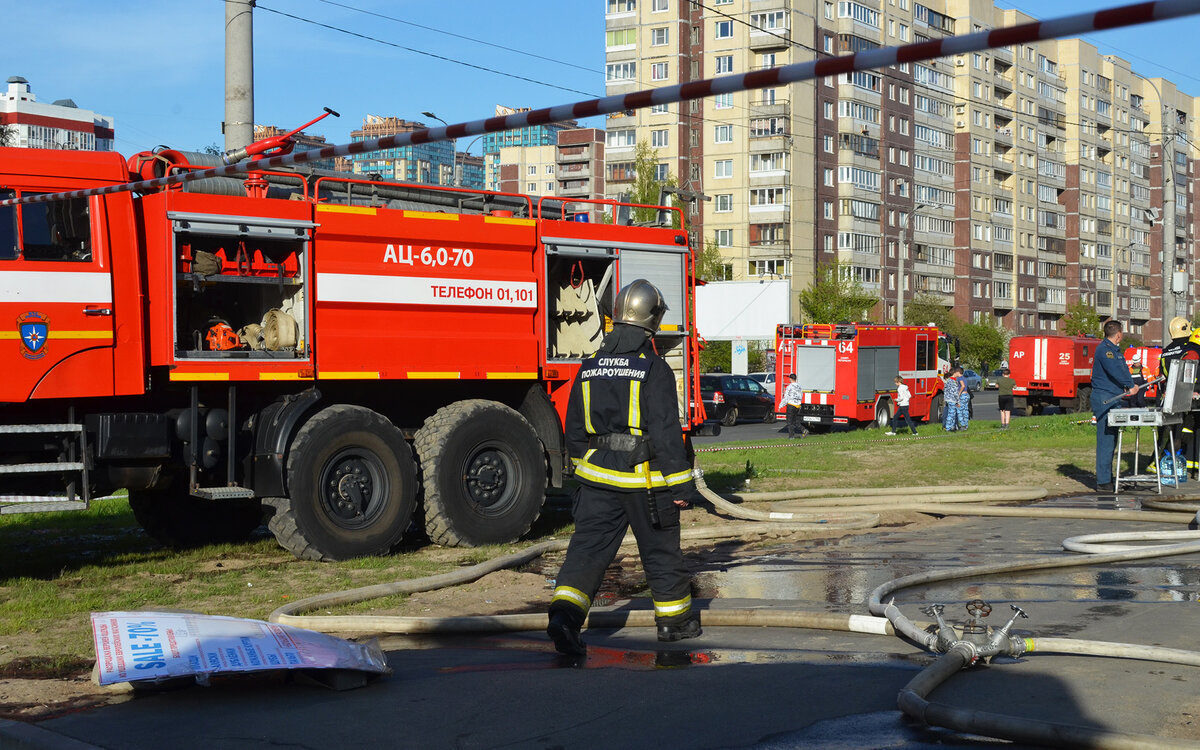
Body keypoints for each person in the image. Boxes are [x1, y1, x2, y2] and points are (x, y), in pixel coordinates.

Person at [547, 279, 700, 657]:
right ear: (651, 321)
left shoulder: (589, 368)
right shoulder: (654, 369)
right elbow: (665, 434)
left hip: (596, 481)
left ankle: (564, 618)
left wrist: (589, 468)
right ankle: (674, 624)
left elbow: (576, 430)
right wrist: (681, 488)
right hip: (645, 483)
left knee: (586, 553)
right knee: (661, 553)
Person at [1090, 320, 1139, 493]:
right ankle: (1103, 482)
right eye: (1122, 333)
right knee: (1106, 440)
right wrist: (1130, 385)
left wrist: (1129, 384)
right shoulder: (1105, 350)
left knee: (1112, 440)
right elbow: (1115, 371)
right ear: (1118, 334)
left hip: (1114, 397)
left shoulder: (1115, 351)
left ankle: (1108, 477)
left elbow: (1122, 370)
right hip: (1105, 398)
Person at [779, 373, 808, 439]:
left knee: (790, 421)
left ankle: (791, 436)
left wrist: (781, 406)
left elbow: (786, 397)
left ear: (790, 379)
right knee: (795, 420)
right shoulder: (799, 387)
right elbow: (801, 396)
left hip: (791, 405)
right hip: (798, 405)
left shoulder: (789, 387)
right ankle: (803, 430)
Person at [954, 367, 971, 431]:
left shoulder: (959, 378)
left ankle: (962, 425)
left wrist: (959, 393)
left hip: (962, 395)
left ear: (958, 372)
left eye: (955, 373)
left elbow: (963, 386)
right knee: (965, 410)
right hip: (966, 395)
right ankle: (966, 425)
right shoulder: (964, 378)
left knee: (959, 410)